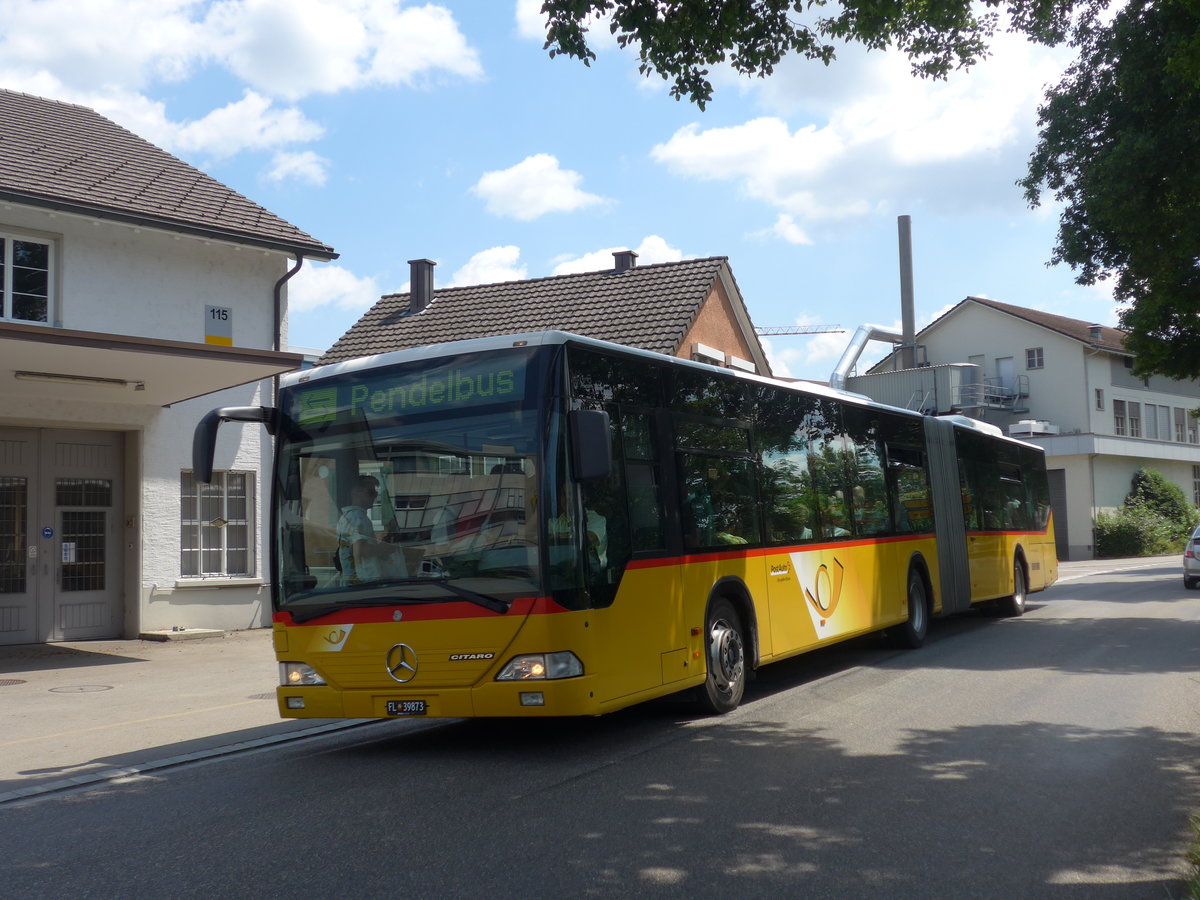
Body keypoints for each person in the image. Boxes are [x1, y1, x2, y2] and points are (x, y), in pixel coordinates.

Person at [336, 475, 403, 585]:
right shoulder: (357, 516)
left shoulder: (349, 516)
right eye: (371, 492)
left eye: (376, 493)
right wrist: (384, 548)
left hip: (354, 583)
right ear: (355, 492)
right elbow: (360, 551)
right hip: (362, 584)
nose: (375, 496)